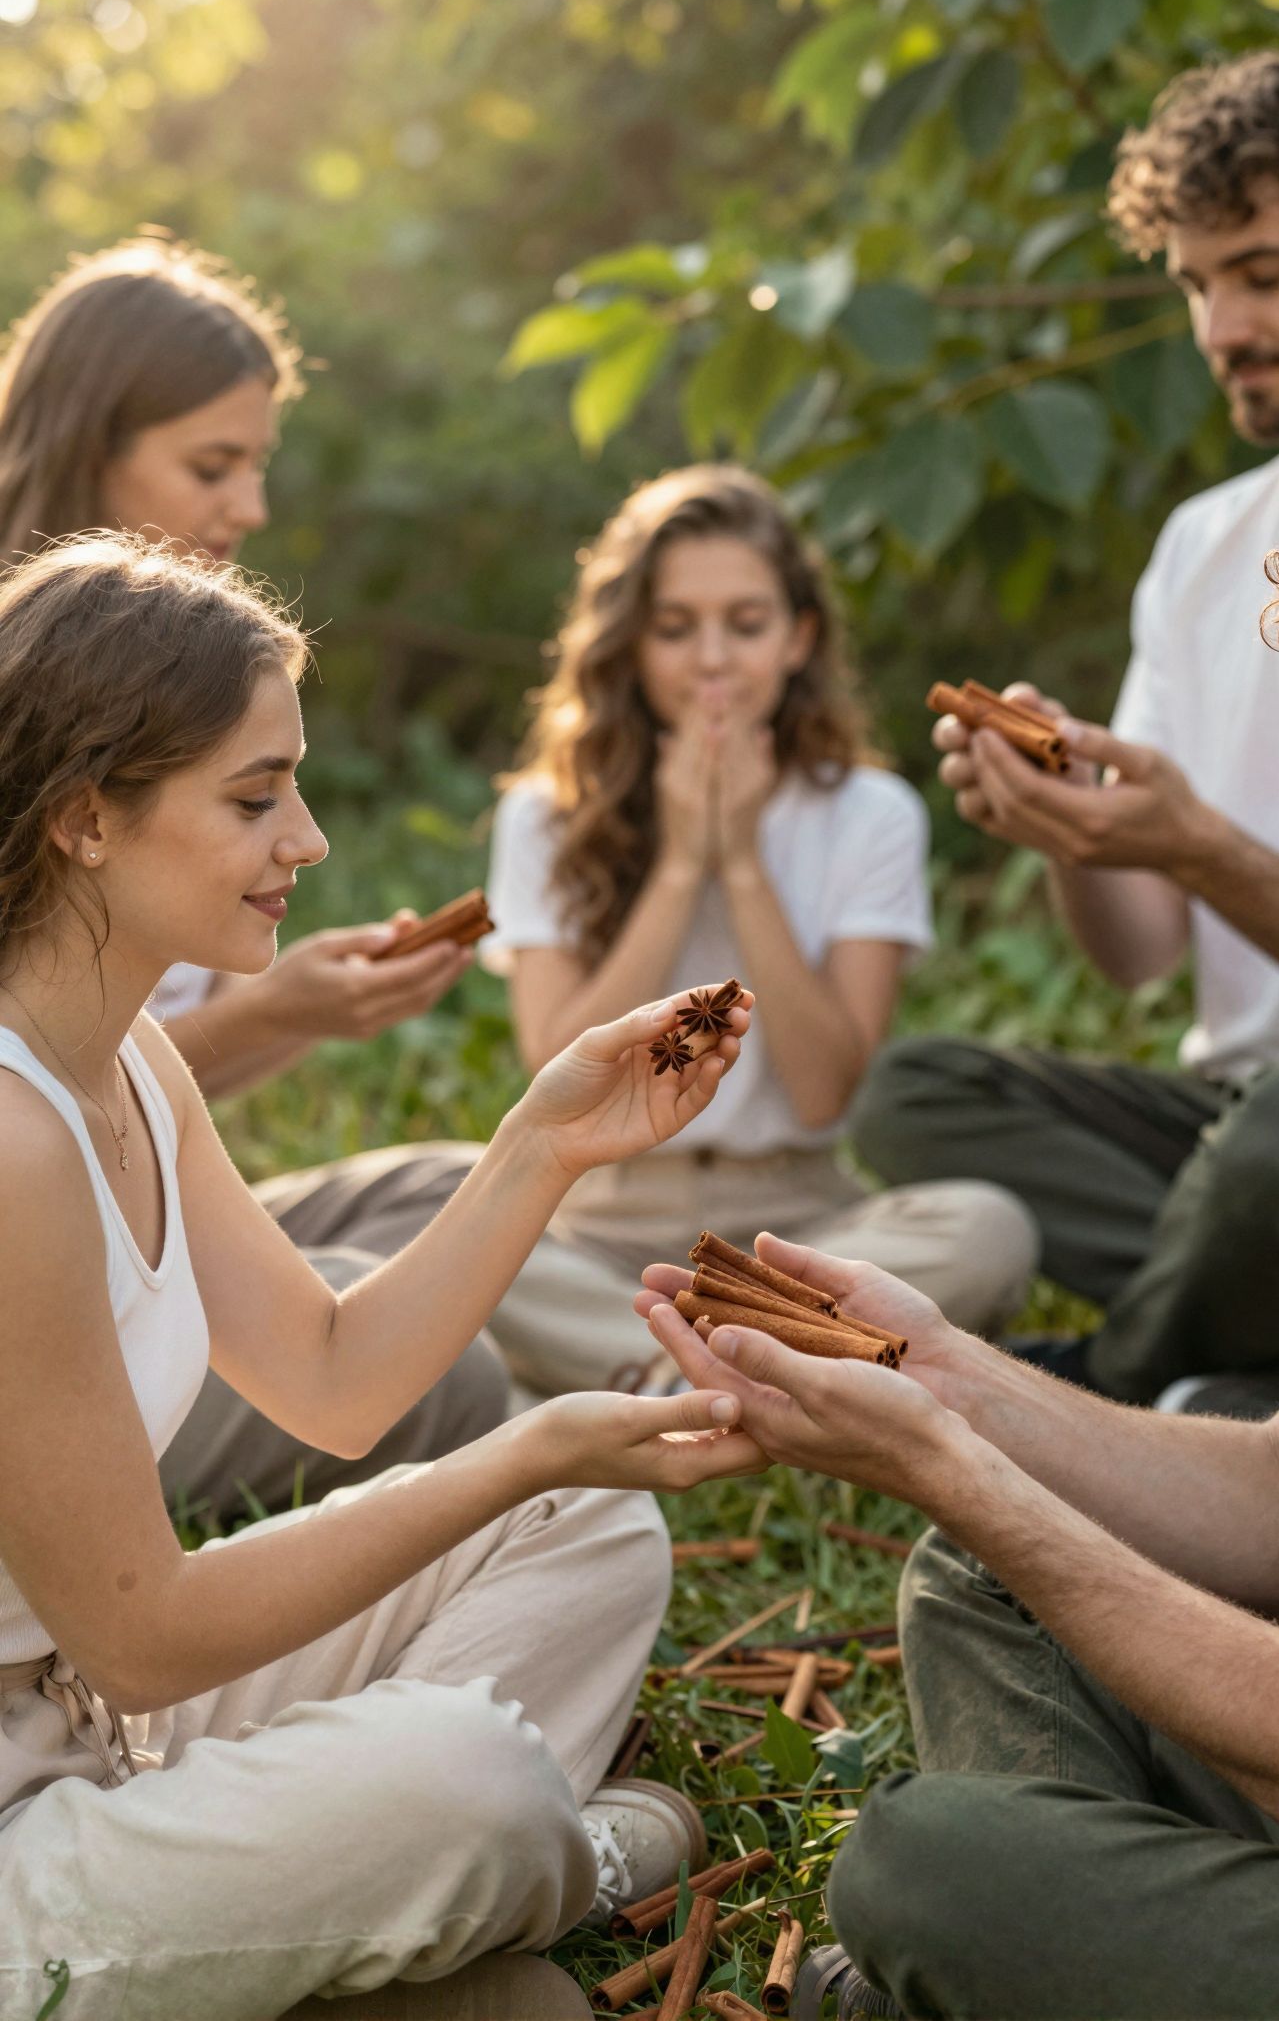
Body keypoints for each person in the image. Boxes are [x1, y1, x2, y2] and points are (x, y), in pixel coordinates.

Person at [646, 434, 1279, 2020]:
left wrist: (950, 1462)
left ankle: (999, 1961)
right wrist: (941, 1379)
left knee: (928, 1872)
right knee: (990, 1577)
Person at [0, 533, 764, 2021]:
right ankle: (565, 1862)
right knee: (463, 1779)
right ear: (87, 817)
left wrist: (543, 1143)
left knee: (585, 1522)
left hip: (107, 1735)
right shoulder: (7, 1142)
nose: (309, 841)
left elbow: (334, 1381)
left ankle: (344, 1921)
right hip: (19, 1829)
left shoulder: (134, 1062)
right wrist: (522, 1438)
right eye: (253, 795)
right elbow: (144, 1630)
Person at [850, 36, 1279, 1409]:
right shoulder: (1204, 546)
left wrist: (1207, 847)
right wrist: (1075, 831)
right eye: (1199, 284)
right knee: (911, 1092)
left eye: (1262, 274)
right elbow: (1136, 959)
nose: (1219, 328)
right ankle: (1278, 1336)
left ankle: (1107, 1384)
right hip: (1225, 1125)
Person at [0, 235, 512, 1516]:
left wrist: (546, 1136)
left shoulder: (190, 688)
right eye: (211, 465)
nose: (249, 509)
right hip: (43, 1227)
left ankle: (660, 1303)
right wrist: (284, 1013)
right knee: (438, 1363)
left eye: (258, 465)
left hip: (143, 1177)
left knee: (449, 1191)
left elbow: (125, 1063)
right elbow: (49, 1070)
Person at [465, 462, 1034, 1396]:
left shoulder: (869, 813)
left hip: (795, 1223)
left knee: (987, 1226)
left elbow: (820, 1094)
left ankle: (651, 1374)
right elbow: (555, 1062)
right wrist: (683, 864)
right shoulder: (543, 815)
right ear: (631, 645)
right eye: (676, 628)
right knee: (436, 1221)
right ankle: (756, 1372)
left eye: (747, 623)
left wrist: (742, 864)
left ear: (799, 636)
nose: (714, 660)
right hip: (598, 1222)